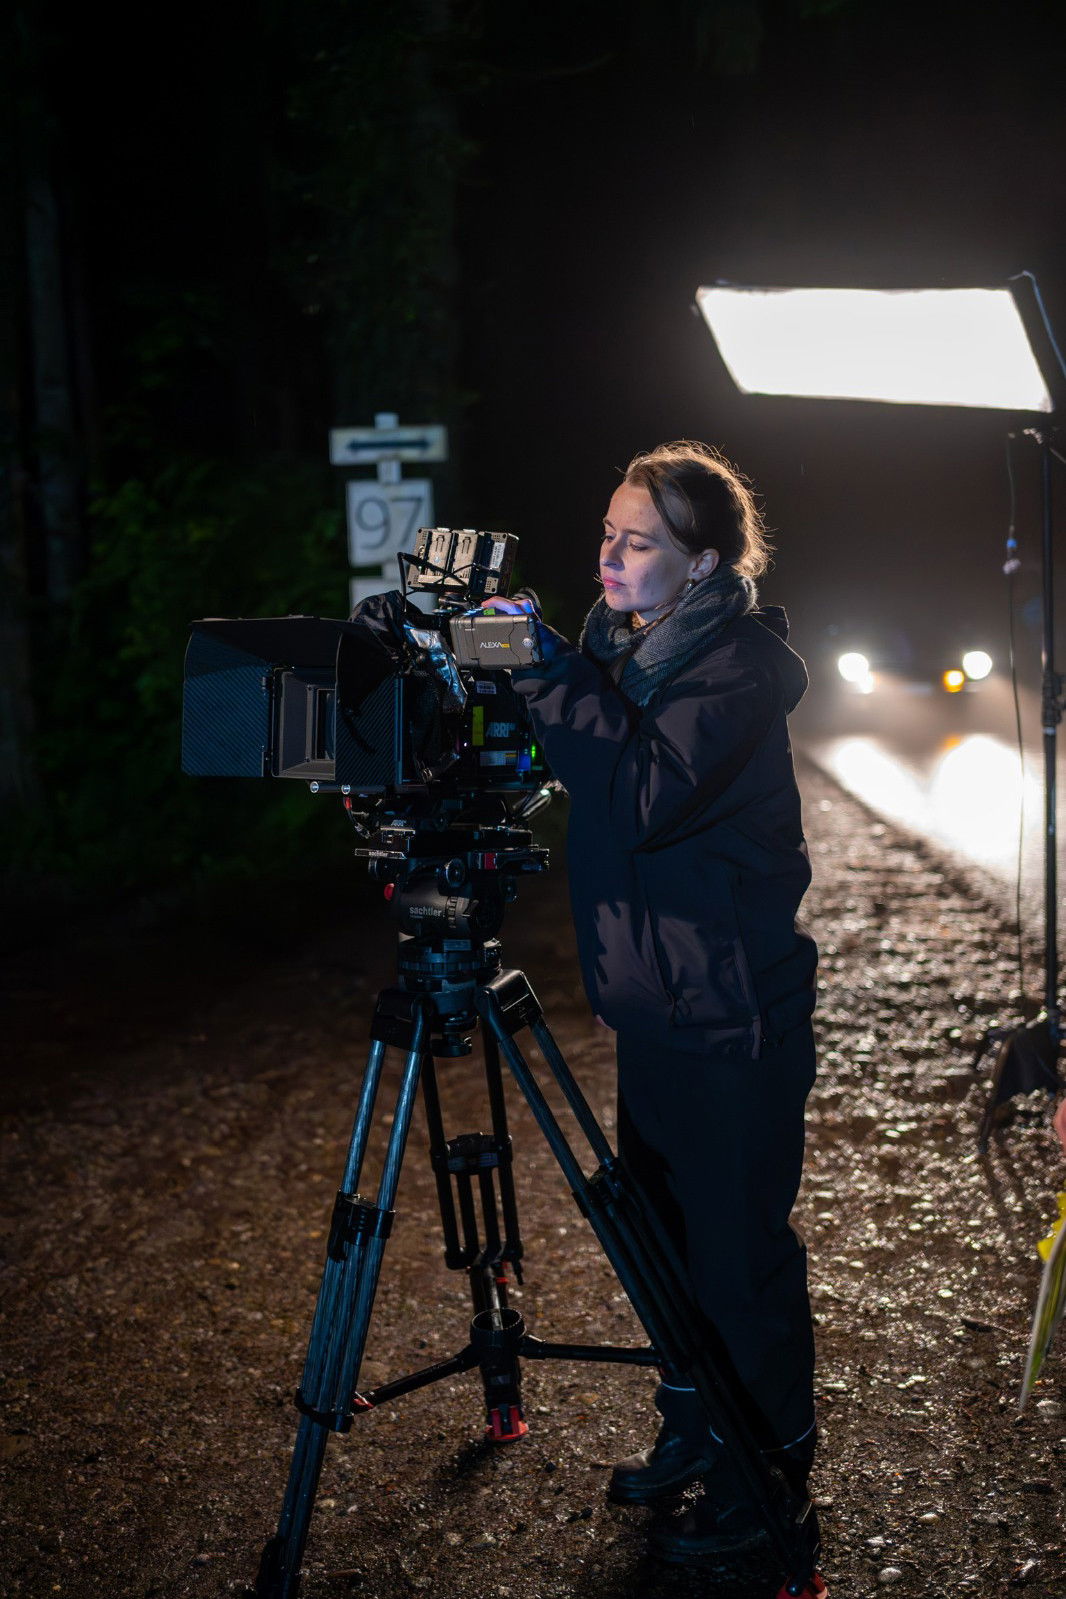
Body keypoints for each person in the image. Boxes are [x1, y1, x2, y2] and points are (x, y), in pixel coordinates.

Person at [492, 439, 820, 1563]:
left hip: (732, 1012)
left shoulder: (734, 669)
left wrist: (541, 666)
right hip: (658, 1005)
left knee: (737, 1258)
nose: (610, 557)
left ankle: (768, 1476)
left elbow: (635, 796)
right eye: (607, 534)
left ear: (703, 563)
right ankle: (697, 1429)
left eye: (639, 543)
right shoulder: (622, 656)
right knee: (667, 1245)